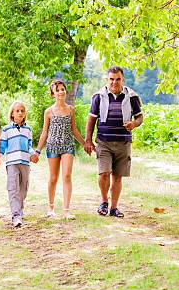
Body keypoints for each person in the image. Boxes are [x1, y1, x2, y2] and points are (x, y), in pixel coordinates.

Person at [84, 66, 143, 218]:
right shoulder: (99, 96)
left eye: (118, 79)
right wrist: (88, 140)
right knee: (104, 173)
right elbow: (91, 119)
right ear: (107, 79)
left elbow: (139, 117)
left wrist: (133, 124)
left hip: (123, 143)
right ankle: (104, 202)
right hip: (103, 142)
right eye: (111, 79)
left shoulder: (132, 97)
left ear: (123, 79)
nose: (114, 82)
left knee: (117, 176)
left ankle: (114, 208)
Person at [35, 79, 85, 220]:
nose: (61, 92)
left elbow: (74, 130)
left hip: (68, 146)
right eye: (57, 90)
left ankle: (67, 210)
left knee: (67, 176)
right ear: (53, 94)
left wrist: (86, 143)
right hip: (52, 147)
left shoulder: (71, 110)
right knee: (53, 178)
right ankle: (50, 208)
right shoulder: (48, 112)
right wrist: (38, 151)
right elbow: (44, 133)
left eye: (63, 89)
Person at [0, 101, 39, 228]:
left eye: (22, 110)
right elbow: (2, 147)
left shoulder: (28, 129)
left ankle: (20, 209)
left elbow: (29, 145)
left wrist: (33, 154)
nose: (20, 112)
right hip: (12, 162)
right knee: (13, 188)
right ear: (12, 114)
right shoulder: (6, 129)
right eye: (17, 111)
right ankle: (16, 215)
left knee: (23, 189)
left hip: (25, 162)